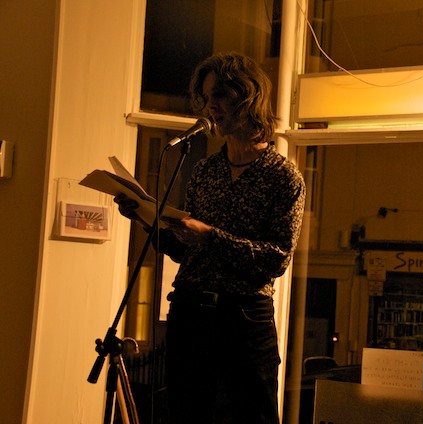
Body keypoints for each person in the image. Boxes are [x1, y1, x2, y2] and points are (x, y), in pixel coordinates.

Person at [115, 52, 306, 423]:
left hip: (245, 319)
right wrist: (145, 218)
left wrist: (210, 237)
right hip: (191, 313)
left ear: (248, 97)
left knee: (254, 416)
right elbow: (185, 252)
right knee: (187, 414)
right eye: (205, 97)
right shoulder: (206, 170)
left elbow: (276, 259)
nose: (210, 106)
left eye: (219, 95)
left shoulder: (283, 177)